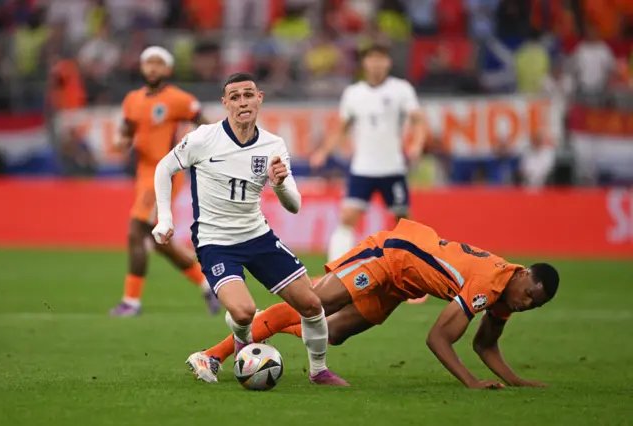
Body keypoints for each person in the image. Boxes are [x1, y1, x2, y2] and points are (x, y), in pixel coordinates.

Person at [152, 72, 348, 386]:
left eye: (248, 95)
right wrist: (165, 218)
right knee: (243, 313)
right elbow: (164, 168)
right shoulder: (204, 138)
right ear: (225, 103)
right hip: (215, 241)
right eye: (235, 97)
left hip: (258, 236)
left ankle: (319, 372)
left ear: (260, 98)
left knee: (312, 304)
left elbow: (294, 205)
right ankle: (242, 341)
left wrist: (280, 184)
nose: (242, 102)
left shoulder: (273, 145)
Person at [198, 219, 559, 389]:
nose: (526, 303)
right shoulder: (489, 283)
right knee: (314, 304)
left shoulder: (504, 296)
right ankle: (212, 355)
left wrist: (516, 381)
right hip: (390, 255)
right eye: (529, 294)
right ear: (523, 273)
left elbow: (485, 344)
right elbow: (438, 339)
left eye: (534, 305)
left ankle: (267, 322)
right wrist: (471, 382)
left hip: (401, 283)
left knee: (334, 333)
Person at [109, 46, 220, 317]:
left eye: (159, 63)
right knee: (159, 241)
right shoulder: (132, 100)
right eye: (149, 62)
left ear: (168, 69)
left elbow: (205, 126)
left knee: (136, 231)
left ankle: (131, 302)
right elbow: (126, 131)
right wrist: (121, 140)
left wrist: (200, 152)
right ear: (142, 67)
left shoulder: (178, 99)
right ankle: (207, 284)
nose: (153, 67)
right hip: (142, 174)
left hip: (165, 173)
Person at [310, 44, 427, 264]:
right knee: (347, 217)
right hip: (362, 168)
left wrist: (417, 144)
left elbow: (418, 120)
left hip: (392, 167)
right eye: (372, 59)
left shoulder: (401, 89)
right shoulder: (353, 93)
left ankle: (415, 271)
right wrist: (323, 151)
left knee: (404, 221)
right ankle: (338, 269)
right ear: (364, 63)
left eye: (381, 59)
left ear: (388, 62)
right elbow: (342, 127)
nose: (376, 64)